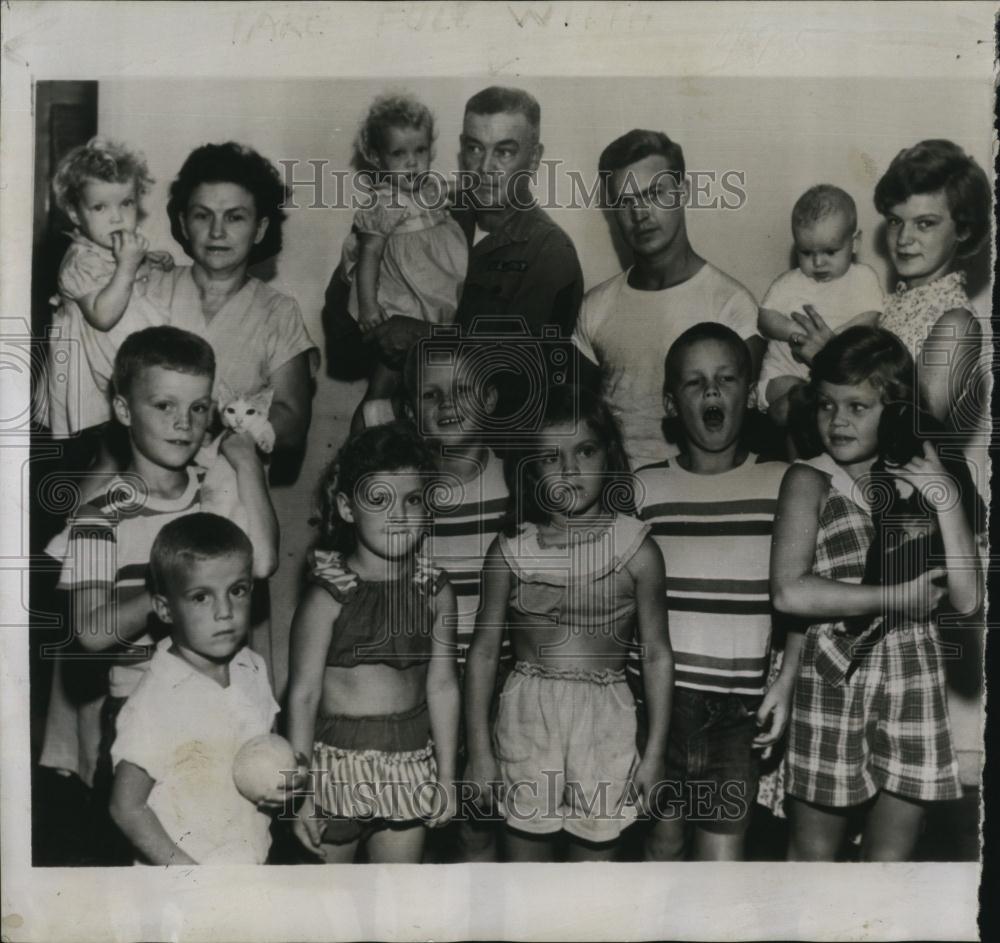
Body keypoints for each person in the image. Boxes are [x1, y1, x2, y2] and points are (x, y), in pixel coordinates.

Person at [39, 326, 278, 846]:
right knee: (157, 854)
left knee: (234, 842)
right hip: (143, 706)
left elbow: (261, 563)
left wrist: (248, 468)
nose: (183, 423)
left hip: (222, 700)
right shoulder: (98, 517)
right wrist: (166, 594)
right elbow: (91, 633)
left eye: (198, 408)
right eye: (164, 405)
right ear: (124, 410)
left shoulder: (213, 492)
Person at [772, 326, 980, 861]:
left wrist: (945, 499)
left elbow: (967, 600)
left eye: (857, 407)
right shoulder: (808, 480)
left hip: (914, 676)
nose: (837, 421)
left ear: (896, 410)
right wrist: (897, 599)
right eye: (826, 404)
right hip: (834, 674)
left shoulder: (923, 479)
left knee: (889, 864)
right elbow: (790, 594)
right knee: (813, 856)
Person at [464, 386, 673, 862]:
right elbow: (483, 653)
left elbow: (657, 655)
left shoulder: (637, 550)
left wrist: (656, 751)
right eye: (550, 457)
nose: (570, 469)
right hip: (526, 716)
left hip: (606, 722)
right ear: (530, 469)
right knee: (524, 872)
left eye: (585, 451)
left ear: (609, 455)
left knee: (593, 874)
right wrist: (478, 750)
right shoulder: (510, 550)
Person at [634, 323, 790, 860]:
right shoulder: (642, 488)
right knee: (662, 847)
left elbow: (801, 596)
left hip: (737, 713)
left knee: (721, 865)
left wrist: (787, 681)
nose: (711, 391)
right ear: (670, 403)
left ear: (750, 394)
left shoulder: (783, 482)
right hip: (658, 706)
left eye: (726, 379)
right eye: (694, 382)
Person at [323, 86, 583, 389]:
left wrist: (426, 337)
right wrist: (360, 262)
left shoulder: (550, 251)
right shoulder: (429, 211)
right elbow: (343, 340)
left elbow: (525, 371)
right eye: (475, 148)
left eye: (504, 152)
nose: (485, 168)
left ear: (534, 158)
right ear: (461, 149)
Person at [287, 423, 459, 864]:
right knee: (331, 899)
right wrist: (301, 792)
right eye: (379, 500)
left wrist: (447, 776)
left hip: (410, 762)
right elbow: (303, 695)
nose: (398, 515)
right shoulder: (328, 595)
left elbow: (442, 686)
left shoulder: (435, 590)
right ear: (347, 508)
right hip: (335, 766)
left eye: (412, 500)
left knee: (402, 898)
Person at [572, 129, 761, 471]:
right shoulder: (594, 307)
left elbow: (744, 431)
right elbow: (578, 423)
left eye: (654, 194)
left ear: (682, 191)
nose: (640, 213)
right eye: (625, 201)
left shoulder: (731, 305)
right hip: (616, 492)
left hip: (697, 490)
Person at [109, 513, 282, 865]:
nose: (225, 612)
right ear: (165, 609)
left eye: (237, 590)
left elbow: (271, 747)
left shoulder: (252, 668)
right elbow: (126, 807)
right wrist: (191, 876)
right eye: (201, 597)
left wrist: (291, 782)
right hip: (182, 881)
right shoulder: (158, 699)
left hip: (249, 864)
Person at [402, 334, 509, 861]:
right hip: (424, 676)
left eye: (462, 390)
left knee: (480, 819)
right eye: (430, 394)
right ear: (409, 412)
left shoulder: (518, 483)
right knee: (416, 811)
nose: (446, 404)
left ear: (489, 399)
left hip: (501, 676)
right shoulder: (404, 495)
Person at [150, 141, 318, 454]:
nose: (217, 232)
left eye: (235, 217)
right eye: (203, 216)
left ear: (260, 229)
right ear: (184, 224)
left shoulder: (278, 312)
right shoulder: (149, 288)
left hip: (232, 476)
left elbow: (293, 420)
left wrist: (222, 436)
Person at [42, 137, 174, 465]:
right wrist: (128, 266)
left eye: (126, 203)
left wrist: (146, 259)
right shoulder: (78, 262)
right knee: (104, 454)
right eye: (100, 208)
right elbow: (103, 316)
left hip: (118, 361)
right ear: (74, 213)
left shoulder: (110, 246)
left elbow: (120, 272)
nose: (116, 218)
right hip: (91, 374)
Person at [343, 93, 468, 432]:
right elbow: (369, 255)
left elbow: (455, 191)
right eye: (399, 154)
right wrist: (368, 307)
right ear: (376, 157)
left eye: (420, 151)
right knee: (384, 385)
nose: (412, 163)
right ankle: (360, 445)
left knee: (420, 386)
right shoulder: (384, 201)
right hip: (404, 298)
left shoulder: (428, 189)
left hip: (432, 291)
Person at [873, 140, 990, 430]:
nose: (903, 239)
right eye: (895, 221)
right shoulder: (888, 303)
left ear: (963, 229)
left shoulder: (957, 322)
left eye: (924, 223)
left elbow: (915, 426)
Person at [756, 185, 884, 426]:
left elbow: (870, 318)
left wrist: (833, 343)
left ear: (854, 243)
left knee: (828, 407)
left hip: (836, 378)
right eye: (806, 253)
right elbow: (765, 317)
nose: (818, 262)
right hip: (785, 372)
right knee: (791, 404)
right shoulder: (789, 282)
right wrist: (797, 333)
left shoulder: (863, 278)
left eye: (830, 251)